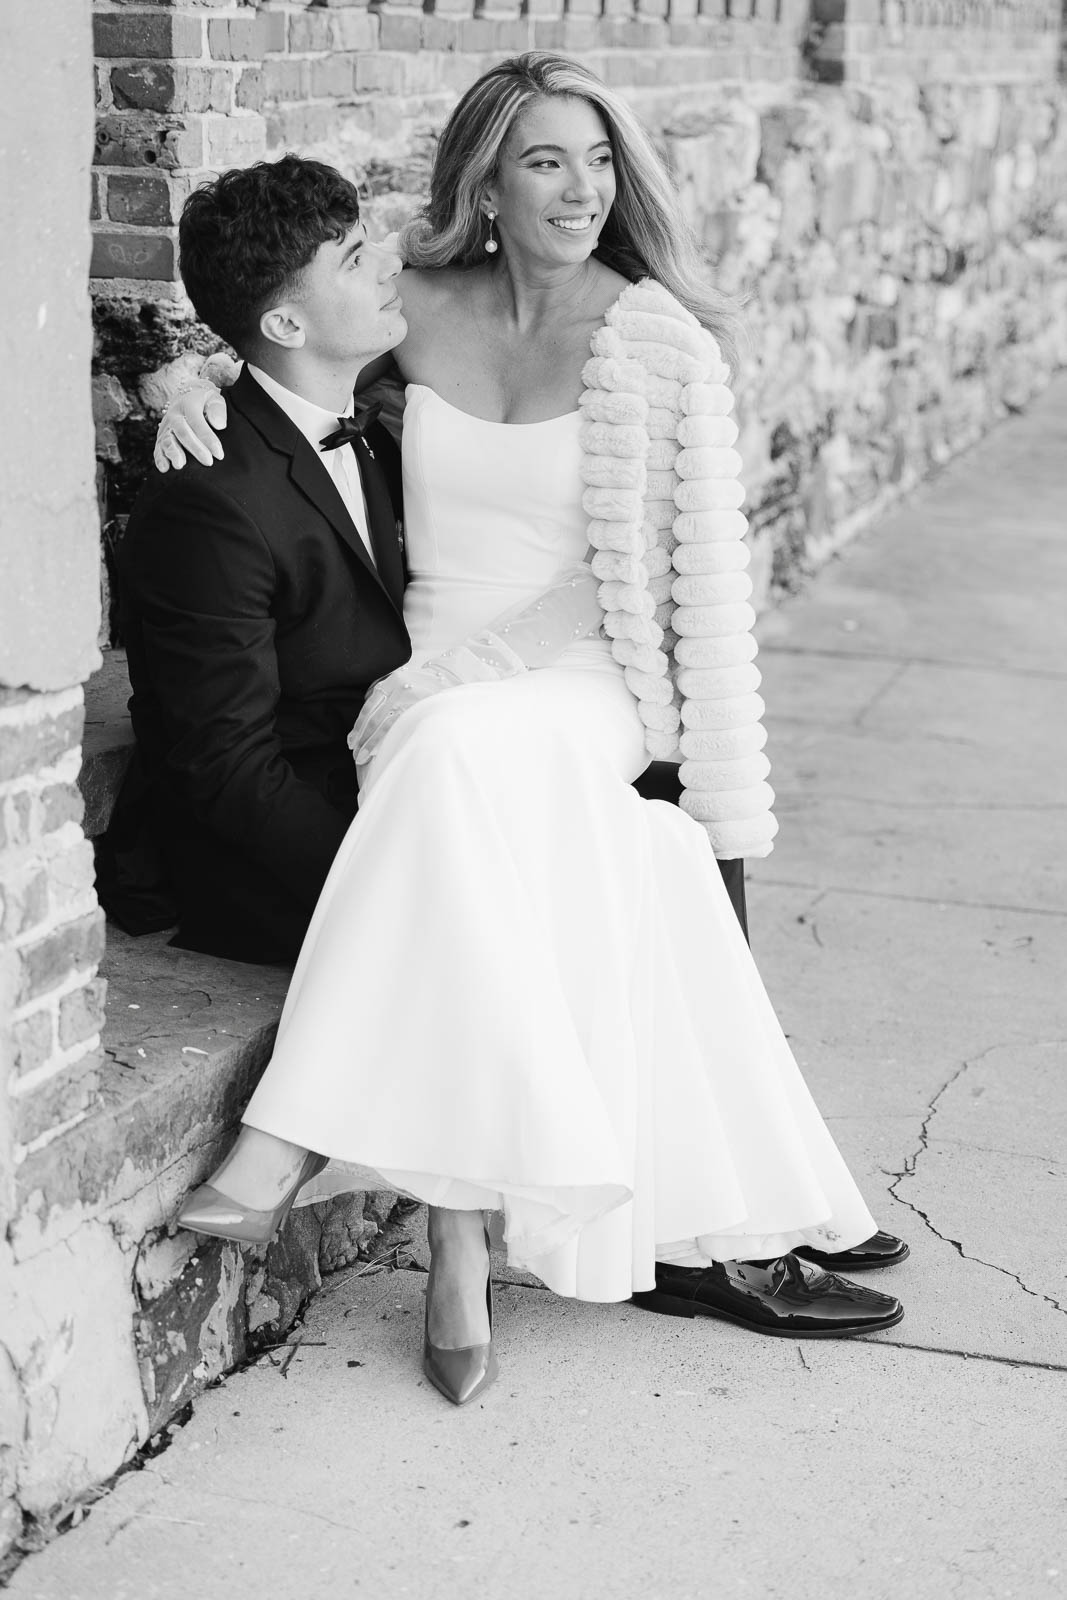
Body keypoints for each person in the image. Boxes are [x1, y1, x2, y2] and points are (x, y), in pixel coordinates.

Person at [159, 53, 907, 1408]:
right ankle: (509, 1238)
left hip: (575, 674)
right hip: (423, 662)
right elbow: (283, 354)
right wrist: (184, 388)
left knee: (446, 755)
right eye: (546, 162)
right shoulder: (414, 312)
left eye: (600, 161)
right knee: (571, 852)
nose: (581, 189)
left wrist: (454, 681)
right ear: (484, 186)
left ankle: (283, 1142)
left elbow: (628, 575)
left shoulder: (655, 342)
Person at [114, 156, 410, 964]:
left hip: (398, 788)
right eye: (354, 257)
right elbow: (227, 766)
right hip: (282, 859)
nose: (389, 262)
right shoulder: (206, 501)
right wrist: (386, 881)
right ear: (285, 326)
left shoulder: (373, 422)